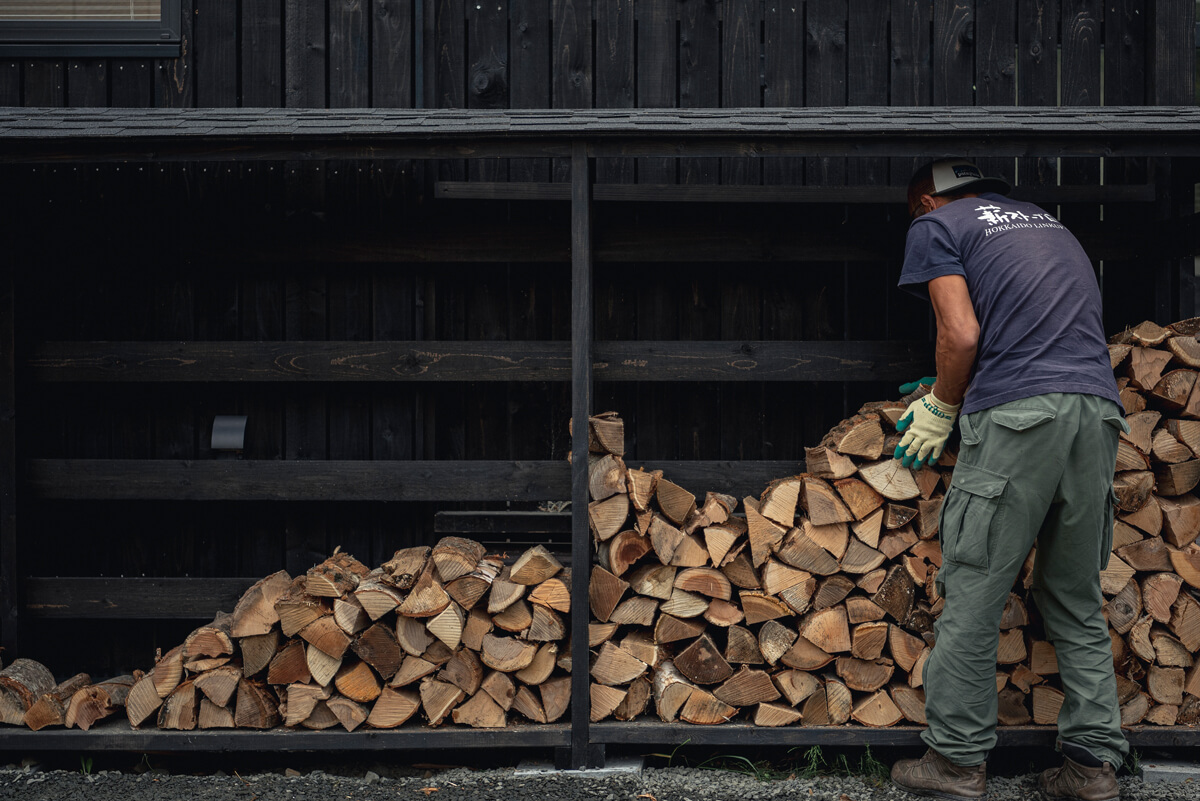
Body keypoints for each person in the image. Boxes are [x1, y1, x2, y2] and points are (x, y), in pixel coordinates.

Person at [888, 159, 1129, 801]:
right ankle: (1092, 768)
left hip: (1020, 417)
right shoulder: (1047, 225)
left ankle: (956, 763)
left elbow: (961, 334)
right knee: (1074, 593)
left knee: (973, 586)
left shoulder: (935, 226)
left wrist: (941, 406)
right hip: (1097, 412)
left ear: (927, 201)